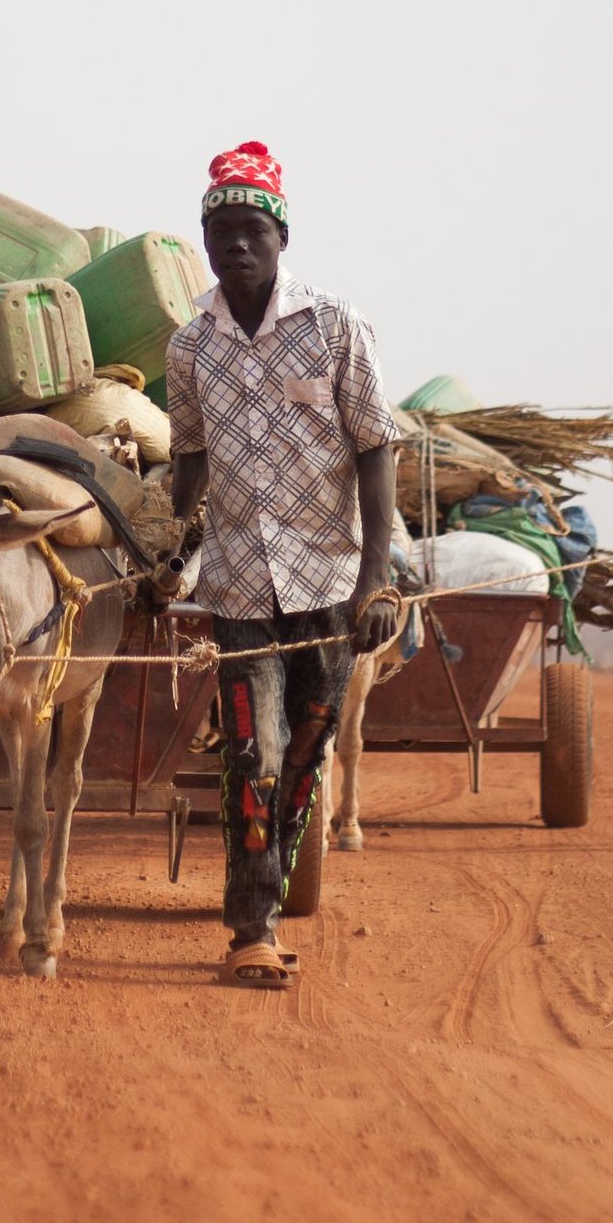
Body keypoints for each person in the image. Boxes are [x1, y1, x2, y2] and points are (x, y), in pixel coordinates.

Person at [164, 141, 401, 987]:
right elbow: (188, 461)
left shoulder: (336, 328)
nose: (236, 244)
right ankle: (251, 925)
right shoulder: (189, 349)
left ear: (281, 237)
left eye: (251, 229)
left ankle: (269, 885)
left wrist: (375, 581)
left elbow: (376, 451)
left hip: (330, 584)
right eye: (221, 230)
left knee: (305, 749)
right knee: (249, 752)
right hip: (235, 584)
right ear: (204, 239)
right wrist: (161, 542)